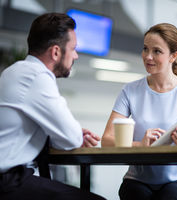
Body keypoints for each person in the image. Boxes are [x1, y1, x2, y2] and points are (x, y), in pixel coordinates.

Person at [0, 13, 105, 200]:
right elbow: (71, 138)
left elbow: (57, 136)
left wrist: (70, 134)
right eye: (73, 49)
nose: (76, 55)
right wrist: (74, 134)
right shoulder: (36, 76)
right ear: (56, 52)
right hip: (8, 182)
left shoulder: (14, 71)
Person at [101, 23, 177, 200]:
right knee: (133, 193)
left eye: (157, 51)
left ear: (173, 56)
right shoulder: (130, 90)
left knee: (170, 195)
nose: (148, 57)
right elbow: (107, 140)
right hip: (138, 179)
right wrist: (140, 145)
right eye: (145, 49)